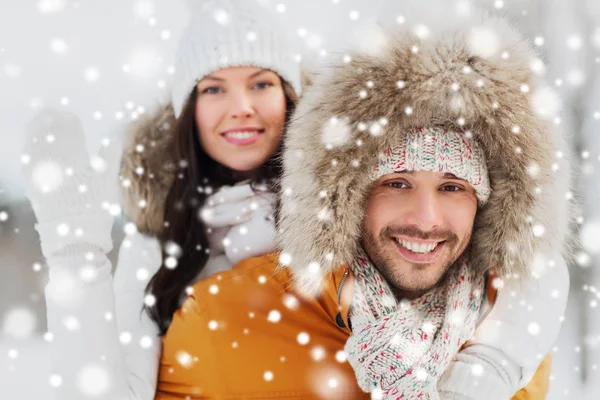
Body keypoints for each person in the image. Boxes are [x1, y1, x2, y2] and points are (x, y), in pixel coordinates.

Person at [154, 7, 570, 400]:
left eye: (453, 187)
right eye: (397, 182)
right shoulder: (222, 321)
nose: (426, 220)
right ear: (345, 195)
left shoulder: (507, 333)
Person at [22, 0, 301, 398]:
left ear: (289, 95)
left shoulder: (346, 220)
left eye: (260, 83)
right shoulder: (159, 241)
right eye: (214, 88)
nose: (241, 108)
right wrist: (76, 252)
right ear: (190, 109)